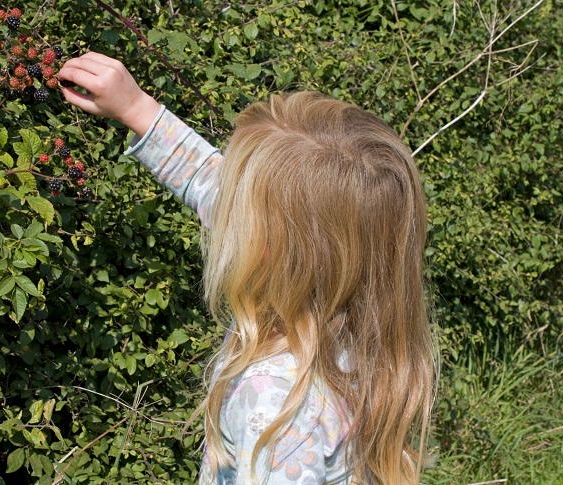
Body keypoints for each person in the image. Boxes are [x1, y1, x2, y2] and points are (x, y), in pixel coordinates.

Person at [58, 52, 437, 485]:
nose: (223, 207)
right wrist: (136, 108)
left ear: (266, 248)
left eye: (236, 207)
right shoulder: (357, 321)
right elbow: (207, 179)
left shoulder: (276, 405)